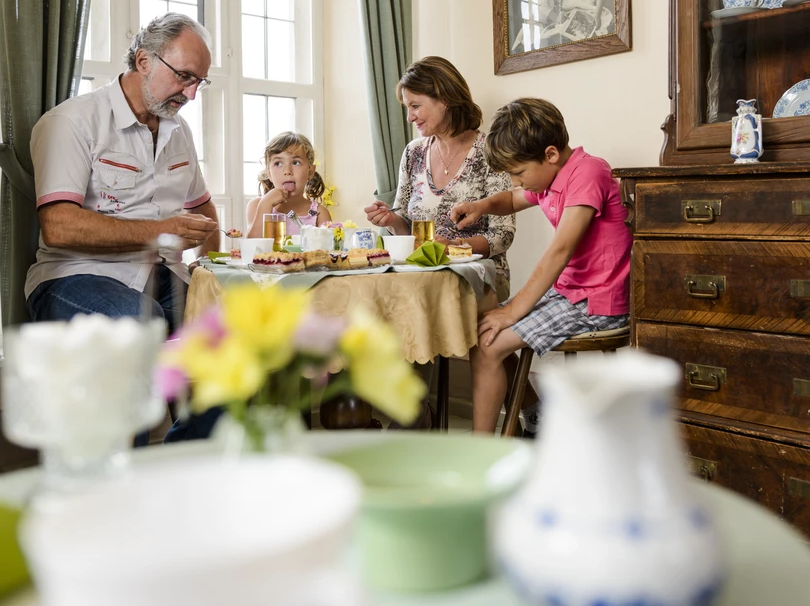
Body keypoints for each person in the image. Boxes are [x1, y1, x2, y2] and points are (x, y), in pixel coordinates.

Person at [26, 12, 220, 331]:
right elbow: (59, 226)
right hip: (75, 275)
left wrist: (207, 264)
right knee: (140, 320)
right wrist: (162, 230)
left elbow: (201, 206)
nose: (191, 94)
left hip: (158, 275)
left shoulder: (179, 130)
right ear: (144, 60)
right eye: (184, 76)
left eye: (199, 81)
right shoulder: (72, 122)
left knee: (229, 317)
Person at [451, 98, 631, 435]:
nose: (516, 183)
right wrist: (482, 205)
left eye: (518, 173)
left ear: (549, 154)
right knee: (485, 330)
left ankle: (481, 449)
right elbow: (513, 200)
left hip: (599, 302)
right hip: (572, 293)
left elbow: (561, 249)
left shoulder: (589, 172)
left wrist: (515, 309)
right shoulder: (550, 178)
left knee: (490, 342)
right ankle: (533, 417)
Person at [364, 56, 515, 302]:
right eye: (407, 108)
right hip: (421, 272)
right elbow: (407, 228)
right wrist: (392, 220)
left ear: (445, 99)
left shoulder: (490, 151)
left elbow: (503, 235)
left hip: (478, 275)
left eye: (415, 106)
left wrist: (453, 246)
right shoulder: (413, 152)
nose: (409, 118)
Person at [246, 132, 332, 237]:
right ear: (269, 174)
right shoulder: (256, 205)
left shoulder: (319, 213)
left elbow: (327, 249)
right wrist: (265, 205)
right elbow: (252, 247)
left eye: (296, 162)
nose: (287, 171)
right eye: (278, 163)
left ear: (310, 172)